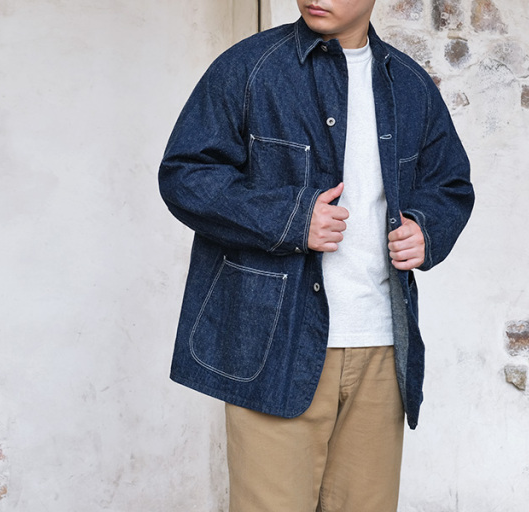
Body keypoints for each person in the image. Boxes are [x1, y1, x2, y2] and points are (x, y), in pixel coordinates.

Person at [159, 1, 474, 510]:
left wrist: (426, 228)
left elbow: (450, 184)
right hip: (274, 347)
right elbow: (185, 174)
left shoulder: (410, 85)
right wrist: (291, 218)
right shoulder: (249, 68)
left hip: (380, 347)